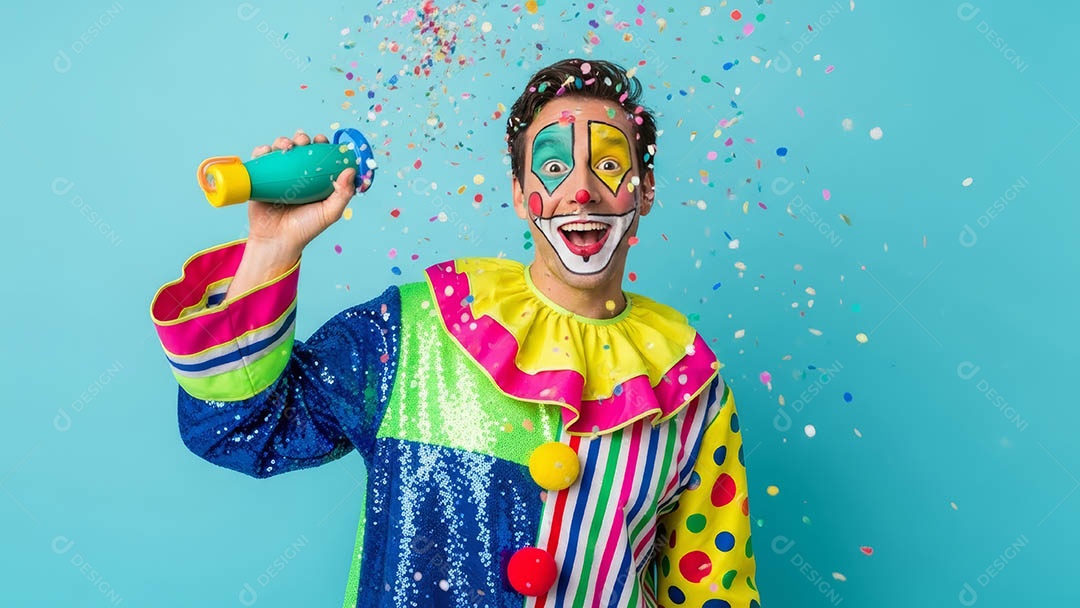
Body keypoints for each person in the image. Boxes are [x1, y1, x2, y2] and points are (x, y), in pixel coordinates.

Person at [150, 58, 760, 608]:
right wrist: (269, 248)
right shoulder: (414, 329)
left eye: (607, 164)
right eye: (552, 166)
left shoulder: (688, 386)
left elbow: (712, 589)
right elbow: (238, 429)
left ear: (644, 191)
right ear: (521, 196)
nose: (580, 189)